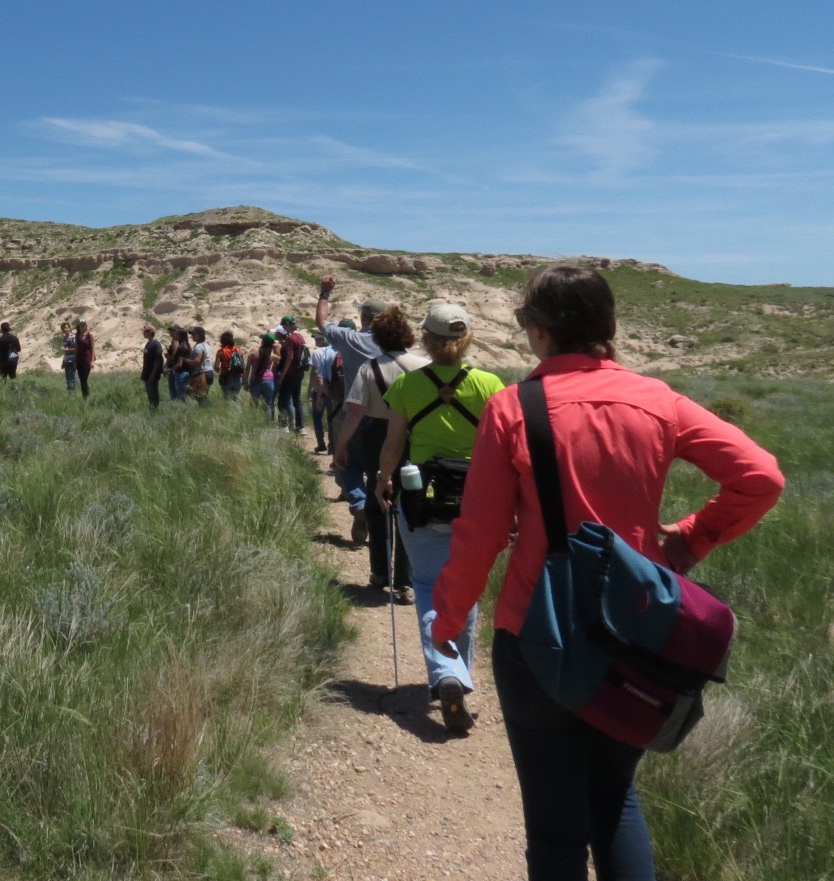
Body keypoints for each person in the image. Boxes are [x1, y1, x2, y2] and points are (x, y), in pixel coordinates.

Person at [432, 265, 783, 880]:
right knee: (615, 798)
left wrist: (450, 620)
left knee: (555, 827)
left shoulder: (514, 409)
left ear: (539, 332)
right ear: (607, 327)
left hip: (534, 633)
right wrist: (692, 538)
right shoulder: (659, 401)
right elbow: (761, 479)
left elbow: (481, 535)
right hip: (635, 635)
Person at [370, 303, 504, 733]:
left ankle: (448, 673)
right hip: (476, 500)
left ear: (424, 338)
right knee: (466, 589)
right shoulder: (489, 385)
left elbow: (394, 441)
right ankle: (457, 671)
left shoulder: (409, 385)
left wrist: (383, 480)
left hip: (420, 495)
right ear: (466, 341)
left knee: (428, 586)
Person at [334, 306, 425, 595]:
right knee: (408, 503)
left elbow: (355, 413)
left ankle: (379, 572)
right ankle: (405, 580)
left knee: (378, 500)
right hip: (415, 439)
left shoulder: (369, 368)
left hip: (378, 436)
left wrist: (342, 444)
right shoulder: (424, 366)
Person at [316, 278, 384, 530]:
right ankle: (380, 509)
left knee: (347, 463)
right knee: (382, 466)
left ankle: (358, 503)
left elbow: (322, 323)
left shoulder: (351, 340)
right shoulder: (394, 344)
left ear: (363, 318)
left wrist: (325, 292)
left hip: (355, 412)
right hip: (389, 416)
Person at [275, 314, 310, 432]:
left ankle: (284, 426)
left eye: (284, 325)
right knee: (297, 399)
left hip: (290, 373)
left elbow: (290, 356)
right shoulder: (300, 337)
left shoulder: (290, 339)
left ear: (288, 325)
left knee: (282, 400)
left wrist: (283, 374)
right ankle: (300, 427)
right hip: (299, 372)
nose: (283, 328)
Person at [309, 331, 338, 454]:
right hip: (334, 389)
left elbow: (314, 372)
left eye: (318, 338)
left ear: (323, 340)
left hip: (319, 389)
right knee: (332, 418)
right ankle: (332, 445)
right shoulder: (335, 351)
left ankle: (321, 443)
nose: (316, 341)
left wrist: (310, 389)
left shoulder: (317, 353)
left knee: (317, 417)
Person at [249, 332, 278, 419]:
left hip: (255, 380)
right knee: (267, 405)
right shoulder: (272, 356)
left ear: (263, 342)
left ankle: (252, 422)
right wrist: (275, 349)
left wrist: (246, 381)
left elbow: (247, 369)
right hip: (269, 380)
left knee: (254, 404)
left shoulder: (254, 353)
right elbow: (279, 360)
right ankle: (267, 424)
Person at [140, 324, 165, 408]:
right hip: (147, 373)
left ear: (150, 333)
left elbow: (159, 360)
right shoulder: (148, 344)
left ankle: (155, 409)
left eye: (145, 332)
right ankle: (152, 409)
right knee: (150, 394)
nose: (143, 333)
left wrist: (153, 374)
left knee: (153, 393)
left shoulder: (156, 344)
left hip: (152, 374)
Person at [215, 331, 245, 400]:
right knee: (235, 399)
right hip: (238, 377)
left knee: (226, 399)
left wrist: (220, 371)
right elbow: (242, 364)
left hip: (226, 377)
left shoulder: (221, 351)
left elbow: (216, 367)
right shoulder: (238, 350)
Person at [166, 327, 192, 402]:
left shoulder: (181, 348)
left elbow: (179, 364)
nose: (175, 335)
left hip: (180, 373)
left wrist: (169, 370)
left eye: (177, 334)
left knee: (180, 396)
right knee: (184, 395)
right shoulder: (187, 346)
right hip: (186, 372)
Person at [74, 319, 95, 399]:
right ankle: (85, 397)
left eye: (83, 325)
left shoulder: (90, 335)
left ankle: (87, 396)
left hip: (87, 360)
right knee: (81, 379)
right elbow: (76, 348)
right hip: (79, 360)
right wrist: (75, 360)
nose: (82, 326)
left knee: (84, 379)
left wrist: (92, 361)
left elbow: (93, 348)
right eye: (81, 325)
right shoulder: (77, 335)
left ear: (86, 325)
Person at [60, 321, 78, 391]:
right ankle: (70, 392)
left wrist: (68, 349)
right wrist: (63, 361)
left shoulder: (73, 336)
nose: (64, 329)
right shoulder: (64, 338)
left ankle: (73, 392)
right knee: (67, 377)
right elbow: (65, 351)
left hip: (73, 359)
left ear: (69, 328)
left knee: (72, 376)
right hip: (67, 360)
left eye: (66, 328)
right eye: (63, 328)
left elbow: (77, 348)